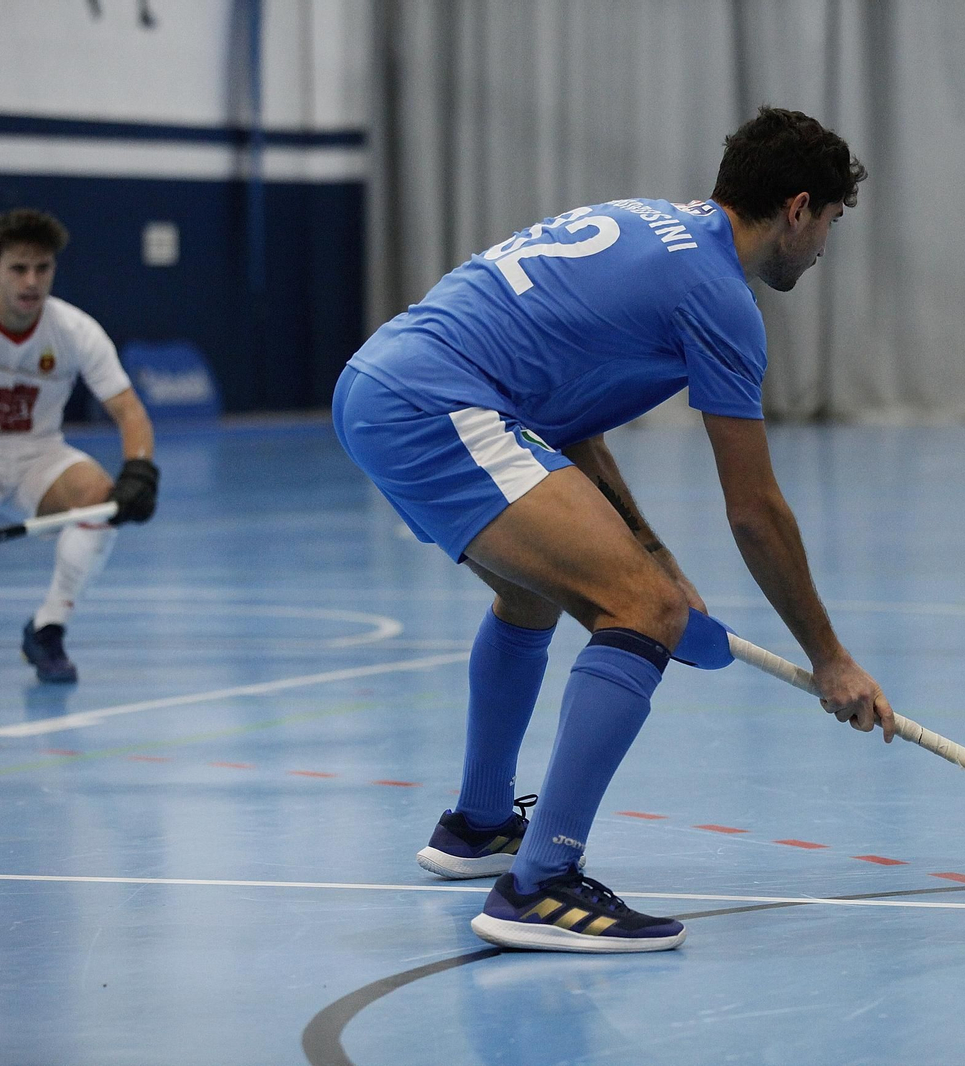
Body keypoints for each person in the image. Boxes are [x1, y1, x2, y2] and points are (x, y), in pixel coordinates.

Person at [333, 106, 892, 954]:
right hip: (435, 403)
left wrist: (658, 556)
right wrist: (829, 657)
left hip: (387, 381)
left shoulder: (654, 228)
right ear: (797, 207)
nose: (823, 247)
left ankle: (480, 824)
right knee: (644, 611)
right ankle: (543, 883)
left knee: (540, 594)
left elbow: (565, 418)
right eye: (830, 225)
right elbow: (755, 509)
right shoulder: (719, 297)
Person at [0, 209, 160, 682]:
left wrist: (139, 471)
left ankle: (48, 629)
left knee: (98, 496)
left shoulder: (76, 331)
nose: (31, 281)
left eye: (43, 268)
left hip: (39, 454)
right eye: (18, 268)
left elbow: (129, 410)